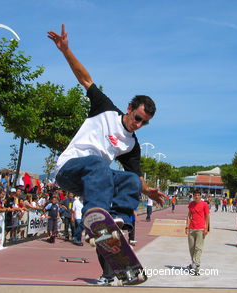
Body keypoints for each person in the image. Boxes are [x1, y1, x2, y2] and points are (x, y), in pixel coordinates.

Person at [48, 24, 167, 286]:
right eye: (137, 118)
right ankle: (95, 219)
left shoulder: (132, 144)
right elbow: (85, 78)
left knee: (131, 181)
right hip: (69, 170)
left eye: (143, 123)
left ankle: (118, 224)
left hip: (93, 180)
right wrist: (66, 51)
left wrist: (147, 191)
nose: (138, 125)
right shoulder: (105, 109)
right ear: (129, 108)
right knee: (98, 164)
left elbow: (134, 177)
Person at [185, 191, 210, 275]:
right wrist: (187, 226)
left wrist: (206, 228)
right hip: (191, 228)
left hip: (201, 228)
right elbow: (189, 216)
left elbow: (207, 216)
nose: (196, 197)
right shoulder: (191, 204)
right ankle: (193, 264)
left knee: (198, 247)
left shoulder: (204, 204)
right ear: (193, 196)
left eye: (198, 195)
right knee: (191, 247)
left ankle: (196, 265)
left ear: (200, 196)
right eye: (195, 195)